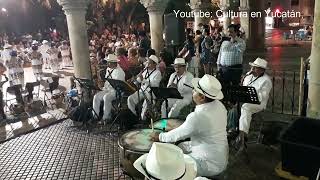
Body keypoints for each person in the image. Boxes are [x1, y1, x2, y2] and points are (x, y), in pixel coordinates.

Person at [151, 74, 228, 177]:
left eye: (195, 90)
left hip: (209, 163)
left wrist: (159, 136)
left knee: (172, 167)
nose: (192, 92)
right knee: (179, 146)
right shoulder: (220, 105)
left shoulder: (198, 116)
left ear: (202, 97)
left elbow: (177, 135)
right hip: (219, 153)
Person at [236, 58, 272, 150]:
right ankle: (235, 129)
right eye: (252, 67)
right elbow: (242, 88)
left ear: (262, 70)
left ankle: (242, 134)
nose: (252, 69)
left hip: (259, 103)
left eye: (255, 68)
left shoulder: (266, 81)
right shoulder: (248, 76)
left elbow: (262, 97)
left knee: (245, 107)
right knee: (236, 108)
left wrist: (250, 93)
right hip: (246, 100)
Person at [127, 55, 162, 121]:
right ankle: (133, 116)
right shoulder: (145, 71)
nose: (148, 64)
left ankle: (143, 119)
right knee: (130, 99)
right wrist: (135, 80)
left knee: (146, 102)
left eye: (149, 63)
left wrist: (143, 80)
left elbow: (155, 84)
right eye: (148, 63)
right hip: (142, 90)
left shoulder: (158, 73)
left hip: (151, 92)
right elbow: (138, 81)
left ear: (154, 64)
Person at [92, 54, 125, 122]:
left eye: (108, 62)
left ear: (113, 63)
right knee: (96, 96)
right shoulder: (108, 69)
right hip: (107, 89)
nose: (107, 63)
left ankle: (106, 118)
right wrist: (103, 87)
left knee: (106, 97)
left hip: (116, 91)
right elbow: (107, 82)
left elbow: (120, 85)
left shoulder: (120, 72)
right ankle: (95, 116)